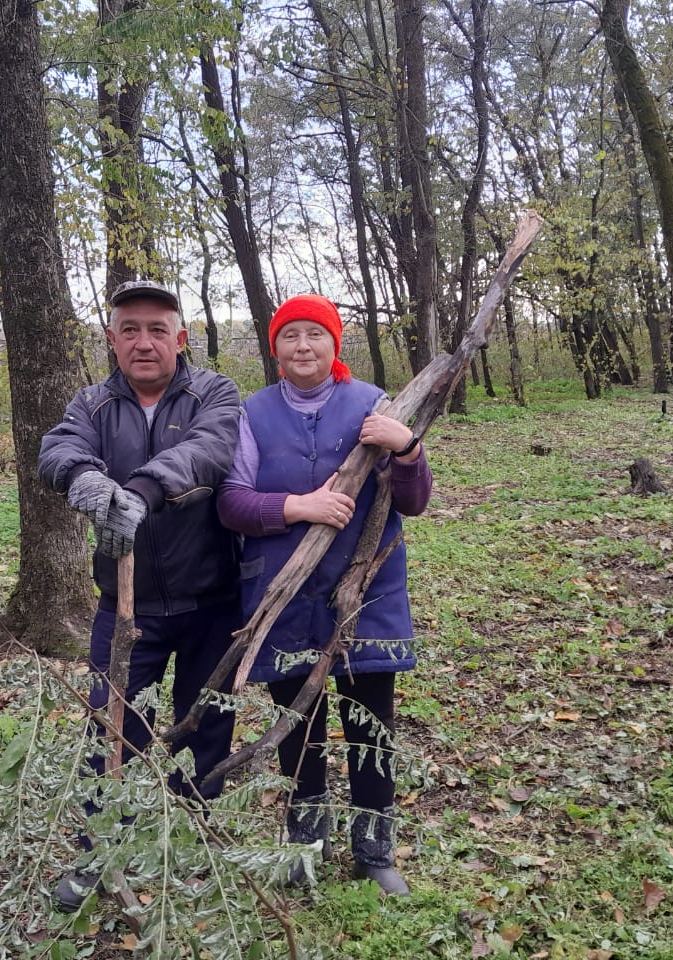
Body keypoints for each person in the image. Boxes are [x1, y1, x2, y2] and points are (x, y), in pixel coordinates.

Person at [217, 294, 432, 896]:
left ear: (335, 344)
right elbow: (231, 502)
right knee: (297, 724)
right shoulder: (252, 412)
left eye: (315, 334)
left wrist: (407, 445)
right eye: (290, 336)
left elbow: (414, 502)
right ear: (274, 347)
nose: (302, 346)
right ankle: (305, 845)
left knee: (371, 724)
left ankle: (375, 852)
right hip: (284, 593)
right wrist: (296, 506)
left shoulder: (373, 405)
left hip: (366, 591)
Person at [38, 280, 241, 912]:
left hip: (212, 599)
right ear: (112, 339)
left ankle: (194, 837)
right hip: (126, 607)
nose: (144, 341)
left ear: (181, 338)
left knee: (207, 723)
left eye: (158, 329)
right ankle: (101, 851)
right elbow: (58, 447)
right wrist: (87, 481)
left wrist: (144, 489)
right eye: (130, 329)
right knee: (113, 728)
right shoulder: (93, 404)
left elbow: (211, 450)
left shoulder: (214, 392)